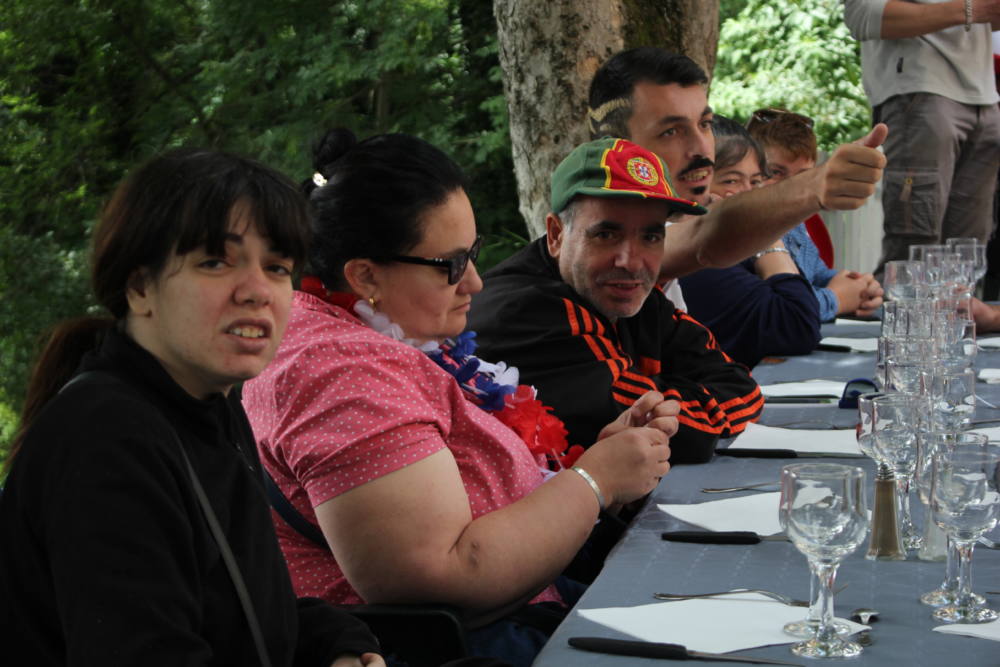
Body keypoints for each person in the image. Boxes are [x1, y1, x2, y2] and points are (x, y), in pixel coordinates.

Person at [241, 130, 674, 667]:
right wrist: (595, 482)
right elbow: (438, 576)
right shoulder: (342, 372)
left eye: (473, 253)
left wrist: (593, 468)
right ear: (365, 275)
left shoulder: (374, 335)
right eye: (450, 265)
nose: (474, 282)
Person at [0, 149, 385, 666]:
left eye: (276, 267)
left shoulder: (208, 407)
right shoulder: (106, 439)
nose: (257, 291)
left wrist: (338, 643)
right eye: (215, 262)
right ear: (140, 288)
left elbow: (244, 611)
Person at [469, 137, 762, 461]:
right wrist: (678, 392)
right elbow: (685, 437)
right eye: (606, 235)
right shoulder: (526, 311)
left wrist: (661, 390)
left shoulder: (625, 294)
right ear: (556, 235)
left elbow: (742, 389)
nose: (631, 262)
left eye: (650, 236)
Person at [584, 47, 888, 285]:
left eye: (704, 124)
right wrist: (814, 185)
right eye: (671, 131)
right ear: (615, 144)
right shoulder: (597, 229)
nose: (701, 148)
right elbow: (707, 233)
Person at [844, 0, 1000, 272]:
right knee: (914, 253)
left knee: (968, 254)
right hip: (922, 89)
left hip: (985, 97)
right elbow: (862, 14)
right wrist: (971, 9)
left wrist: (981, 11)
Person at [679, 116, 821, 367]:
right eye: (731, 181)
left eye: (755, 182)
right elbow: (798, 325)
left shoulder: (733, 250)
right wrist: (768, 237)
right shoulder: (700, 261)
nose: (749, 195)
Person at [746, 107, 884, 320]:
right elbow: (781, 312)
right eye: (775, 172)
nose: (793, 185)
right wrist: (837, 298)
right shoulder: (740, 231)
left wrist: (860, 287)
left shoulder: (796, 224)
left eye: (803, 175)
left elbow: (815, 273)